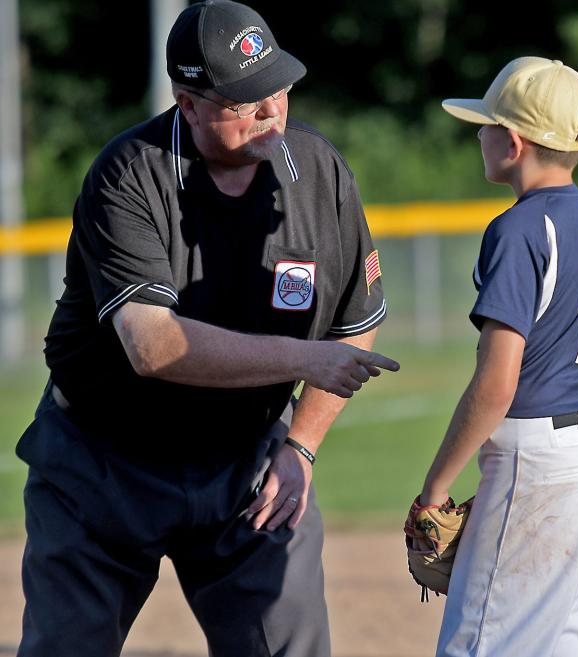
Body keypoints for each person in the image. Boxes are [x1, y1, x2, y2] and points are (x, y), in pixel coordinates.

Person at [15, 2, 398, 656]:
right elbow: (153, 343)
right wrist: (303, 361)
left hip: (245, 464)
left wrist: (301, 444)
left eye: (278, 88)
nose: (272, 110)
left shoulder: (318, 171)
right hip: (104, 463)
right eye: (246, 101)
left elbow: (352, 322)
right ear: (187, 103)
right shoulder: (129, 173)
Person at [416, 56, 578, 657]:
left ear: (513, 143)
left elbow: (496, 385)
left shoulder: (518, 229)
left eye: (487, 124)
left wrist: (434, 492)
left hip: (535, 456)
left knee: (480, 644)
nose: (480, 135)